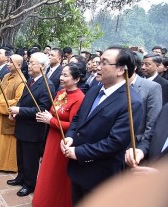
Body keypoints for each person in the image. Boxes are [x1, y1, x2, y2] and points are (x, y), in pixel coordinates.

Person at [60, 46, 143, 205]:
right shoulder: (94, 90)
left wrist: (79, 152)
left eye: (104, 63)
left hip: (100, 176)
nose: (98, 66)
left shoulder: (131, 102)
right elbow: (78, 118)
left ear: (120, 70)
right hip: (78, 168)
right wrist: (70, 137)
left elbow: (115, 142)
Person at [32, 62, 86, 207]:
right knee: (47, 171)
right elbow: (52, 112)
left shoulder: (79, 98)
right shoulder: (61, 93)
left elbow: (73, 125)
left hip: (64, 141)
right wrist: (47, 117)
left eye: (65, 75)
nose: (61, 78)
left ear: (76, 79)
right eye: (61, 74)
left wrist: (51, 121)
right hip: (51, 137)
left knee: (58, 174)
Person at [8, 52, 54, 197]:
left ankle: (29, 184)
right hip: (22, 125)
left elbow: (42, 109)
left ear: (42, 67)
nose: (29, 65)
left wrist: (20, 110)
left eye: (32, 63)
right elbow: (23, 99)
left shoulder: (47, 85)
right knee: (20, 156)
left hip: (33, 130)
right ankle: (20, 177)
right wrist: (16, 112)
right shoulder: (31, 80)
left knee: (30, 160)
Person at [0, 54, 25, 172]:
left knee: (6, 142)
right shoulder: (7, 76)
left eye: (10, 62)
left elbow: (17, 102)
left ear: (18, 65)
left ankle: (7, 165)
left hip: (7, 116)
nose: (8, 64)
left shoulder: (21, 81)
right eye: (8, 61)